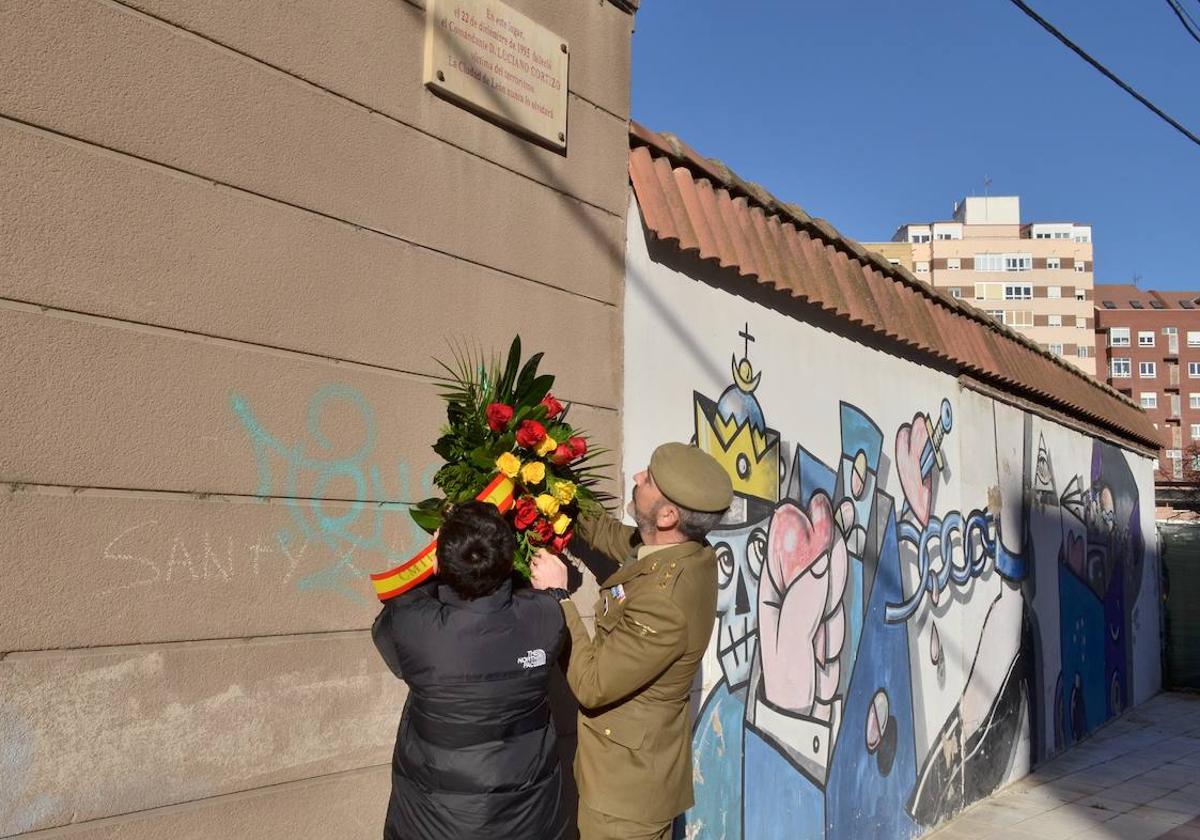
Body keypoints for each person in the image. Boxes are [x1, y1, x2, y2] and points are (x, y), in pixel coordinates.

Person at [531, 442, 733, 840]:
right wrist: (555, 488)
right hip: (635, 773)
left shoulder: (666, 601)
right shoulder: (683, 549)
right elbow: (612, 536)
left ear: (669, 514)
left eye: (649, 480)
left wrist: (558, 597)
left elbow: (592, 685)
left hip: (625, 795)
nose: (638, 477)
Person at [372, 500, 568, 840]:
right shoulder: (546, 616)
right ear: (509, 560)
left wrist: (439, 565)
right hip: (527, 821)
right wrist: (557, 591)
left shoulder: (412, 624)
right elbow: (545, 612)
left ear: (441, 561)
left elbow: (386, 632)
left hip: (433, 824)